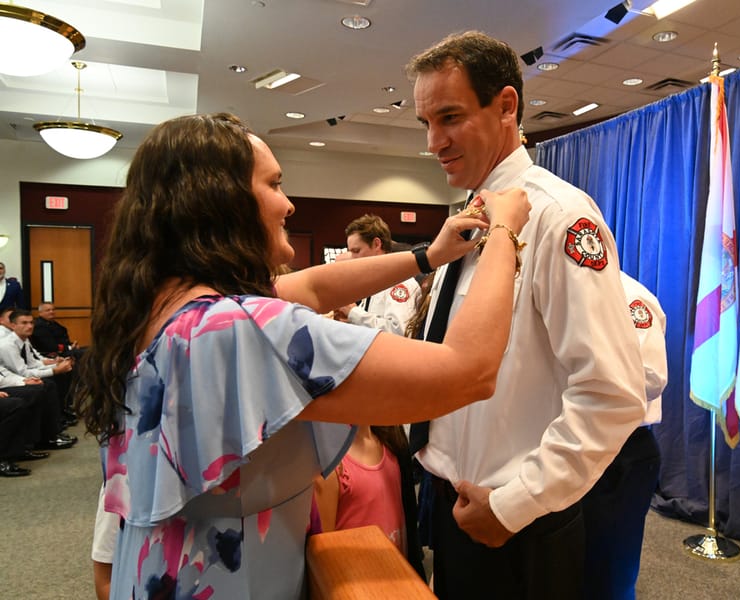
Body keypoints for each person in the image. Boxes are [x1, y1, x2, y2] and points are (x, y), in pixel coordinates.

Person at [73, 112, 530, 599]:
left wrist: (427, 256)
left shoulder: (162, 307)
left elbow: (310, 286)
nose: (288, 204)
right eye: (274, 184)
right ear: (220, 201)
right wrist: (505, 233)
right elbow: (468, 372)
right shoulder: (245, 330)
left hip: (156, 571)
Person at [406, 31, 647, 599]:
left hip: (514, 524)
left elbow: (611, 393)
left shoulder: (559, 217)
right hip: (449, 504)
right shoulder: (469, 217)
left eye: (450, 117)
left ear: (507, 106)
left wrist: (516, 504)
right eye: (426, 124)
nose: (434, 142)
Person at [581, 273, 667, 600]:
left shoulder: (629, 296)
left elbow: (649, 377)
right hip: (577, 442)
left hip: (622, 450)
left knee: (610, 572)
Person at [309, 423, 426, 579]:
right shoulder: (330, 466)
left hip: (398, 579)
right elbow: (324, 559)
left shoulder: (392, 443)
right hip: (357, 584)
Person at [333, 214, 422, 335]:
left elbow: (400, 332)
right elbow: (372, 325)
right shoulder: (374, 281)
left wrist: (353, 312)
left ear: (376, 244)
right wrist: (350, 321)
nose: (352, 258)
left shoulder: (399, 281)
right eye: (351, 252)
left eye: (356, 251)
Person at [0, 309, 76, 420]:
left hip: (15, 377)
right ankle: (54, 425)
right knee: (46, 385)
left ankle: (62, 412)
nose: (30, 326)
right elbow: (23, 372)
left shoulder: (24, 339)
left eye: (31, 322)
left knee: (63, 372)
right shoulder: (7, 345)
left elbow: (33, 363)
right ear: (13, 325)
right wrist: (55, 370)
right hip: (13, 379)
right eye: (24, 323)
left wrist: (56, 365)